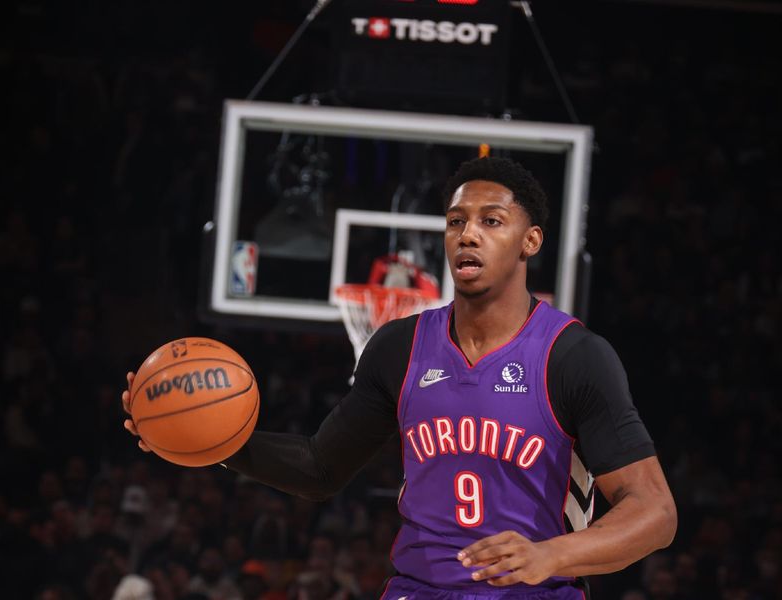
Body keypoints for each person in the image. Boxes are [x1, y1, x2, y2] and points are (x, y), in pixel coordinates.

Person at [123, 157, 677, 598]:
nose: (468, 234)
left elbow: (654, 512)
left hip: (534, 592)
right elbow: (320, 469)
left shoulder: (574, 356)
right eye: (457, 221)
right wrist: (206, 442)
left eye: (491, 221)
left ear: (530, 241)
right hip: (418, 590)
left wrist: (551, 554)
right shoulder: (399, 346)